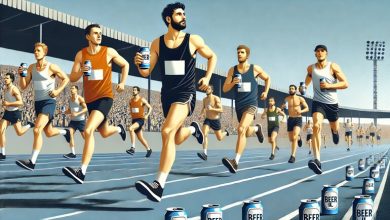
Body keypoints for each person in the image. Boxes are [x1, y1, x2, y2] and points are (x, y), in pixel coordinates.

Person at [133, 2, 217, 202]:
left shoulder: (193, 40)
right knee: (174, 137)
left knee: (166, 131)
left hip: (186, 93)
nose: (184, 16)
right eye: (179, 14)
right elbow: (146, 72)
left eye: (184, 13)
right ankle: (192, 130)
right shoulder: (156, 43)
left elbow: (212, 56)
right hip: (167, 95)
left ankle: (159, 185)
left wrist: (207, 77)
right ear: (169, 19)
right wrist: (138, 65)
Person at [62, 24, 128, 184]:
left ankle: (81, 171)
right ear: (87, 36)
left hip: (105, 97)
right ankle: (119, 128)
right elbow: (73, 78)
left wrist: (122, 82)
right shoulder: (81, 55)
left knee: (89, 130)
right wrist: (81, 72)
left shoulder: (109, 51)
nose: (99, 36)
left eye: (100, 33)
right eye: (95, 33)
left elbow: (125, 64)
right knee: (104, 132)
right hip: (90, 100)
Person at [15, 42, 70, 170]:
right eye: (34, 50)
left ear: (44, 52)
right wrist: (21, 75)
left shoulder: (52, 67)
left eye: (38, 50)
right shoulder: (31, 68)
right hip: (37, 103)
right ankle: (64, 132)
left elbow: (66, 79)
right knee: (49, 132)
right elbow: (23, 87)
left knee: (37, 129)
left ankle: (32, 162)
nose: (35, 52)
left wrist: (57, 91)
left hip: (49, 102)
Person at [221, 44, 270, 173]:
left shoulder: (255, 69)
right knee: (246, 132)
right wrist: (232, 83)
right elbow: (225, 89)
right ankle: (256, 129)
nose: (239, 54)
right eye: (238, 52)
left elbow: (267, 78)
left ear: (247, 55)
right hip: (239, 105)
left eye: (242, 52)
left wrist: (265, 91)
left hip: (251, 104)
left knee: (241, 129)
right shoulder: (232, 70)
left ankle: (235, 162)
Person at [303, 44, 348, 174]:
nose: (320, 53)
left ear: (326, 53)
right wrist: (304, 87)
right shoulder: (311, 68)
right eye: (318, 51)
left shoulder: (333, 66)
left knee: (334, 126)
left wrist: (329, 85)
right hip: (318, 102)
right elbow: (309, 77)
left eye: (322, 51)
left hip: (332, 104)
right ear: (315, 54)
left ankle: (335, 132)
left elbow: (345, 83)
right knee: (316, 126)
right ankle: (317, 160)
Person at [0, 72, 34, 160]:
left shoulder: (14, 89)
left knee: (19, 133)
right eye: (5, 78)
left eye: (7, 78)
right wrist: (5, 105)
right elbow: (7, 101)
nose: (5, 79)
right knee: (1, 131)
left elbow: (20, 102)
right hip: (7, 113)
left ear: (11, 79)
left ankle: (29, 125)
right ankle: (2, 153)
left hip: (15, 113)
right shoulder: (5, 89)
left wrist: (9, 103)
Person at [197, 85, 229, 161]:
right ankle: (205, 154)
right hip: (207, 119)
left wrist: (212, 109)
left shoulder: (216, 98)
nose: (206, 90)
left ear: (212, 90)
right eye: (206, 89)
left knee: (219, 138)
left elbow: (221, 110)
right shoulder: (204, 99)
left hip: (215, 120)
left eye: (208, 89)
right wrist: (201, 115)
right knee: (204, 134)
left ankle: (226, 132)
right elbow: (203, 108)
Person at [283, 85, 309, 163]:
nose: (291, 90)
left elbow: (307, 108)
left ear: (296, 90)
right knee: (291, 139)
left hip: (298, 118)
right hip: (290, 119)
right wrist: (282, 107)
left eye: (292, 89)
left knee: (294, 137)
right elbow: (283, 108)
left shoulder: (300, 98)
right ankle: (299, 138)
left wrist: (300, 111)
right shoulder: (286, 99)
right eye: (290, 89)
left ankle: (293, 156)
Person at [126, 86, 153, 157]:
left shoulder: (142, 100)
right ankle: (149, 149)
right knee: (140, 138)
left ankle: (133, 148)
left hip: (140, 120)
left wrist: (147, 115)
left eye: (134, 90)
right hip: (134, 120)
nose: (133, 91)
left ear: (138, 92)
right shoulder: (130, 101)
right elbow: (132, 110)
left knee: (130, 129)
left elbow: (150, 107)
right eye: (133, 90)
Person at [63, 85, 87, 159]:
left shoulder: (80, 98)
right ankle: (73, 153)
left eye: (73, 88)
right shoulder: (70, 100)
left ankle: (89, 150)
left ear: (76, 90)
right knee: (70, 134)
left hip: (81, 121)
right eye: (71, 88)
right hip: (73, 122)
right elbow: (70, 110)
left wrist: (77, 114)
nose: (71, 89)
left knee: (85, 138)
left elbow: (85, 109)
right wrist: (64, 112)